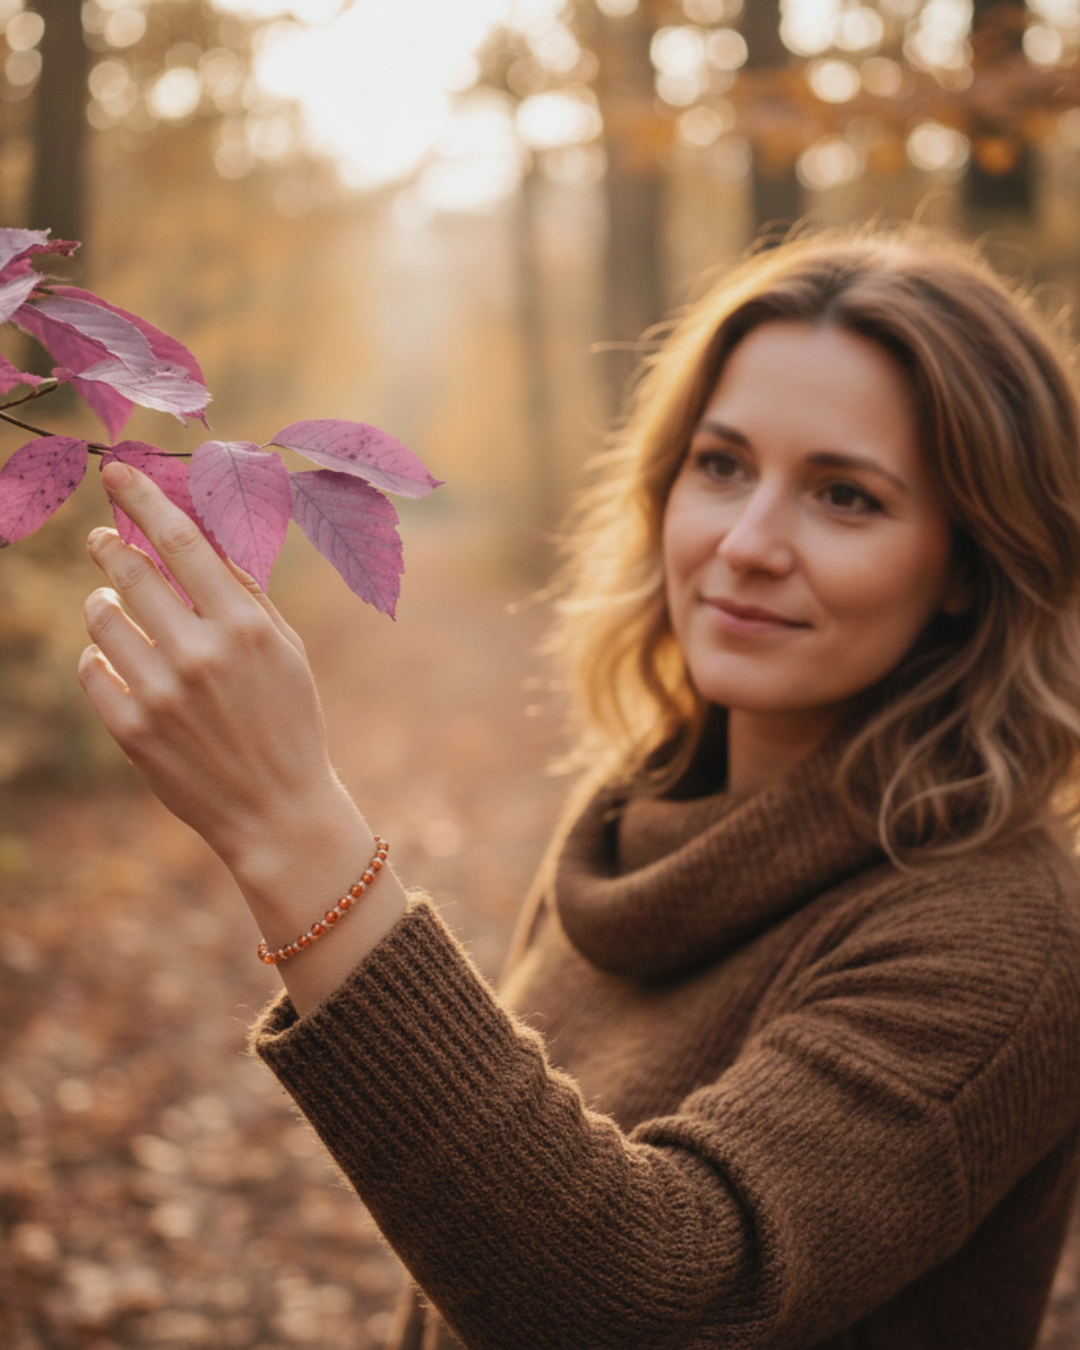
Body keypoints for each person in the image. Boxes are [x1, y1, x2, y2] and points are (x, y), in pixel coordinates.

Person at [78, 227, 1080, 1350]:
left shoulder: (1007, 936)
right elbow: (479, 1245)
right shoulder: (631, 816)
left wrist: (290, 827)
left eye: (846, 497)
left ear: (972, 567)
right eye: (723, 465)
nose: (746, 542)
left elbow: (654, 1303)